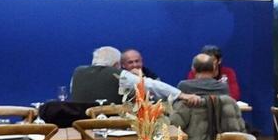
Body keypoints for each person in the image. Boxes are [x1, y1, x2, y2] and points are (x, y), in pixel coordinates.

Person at [71, 46, 200, 105]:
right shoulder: (118, 74)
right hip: (112, 130)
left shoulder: (77, 72)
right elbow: (150, 85)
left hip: (81, 129)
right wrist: (181, 94)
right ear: (117, 64)